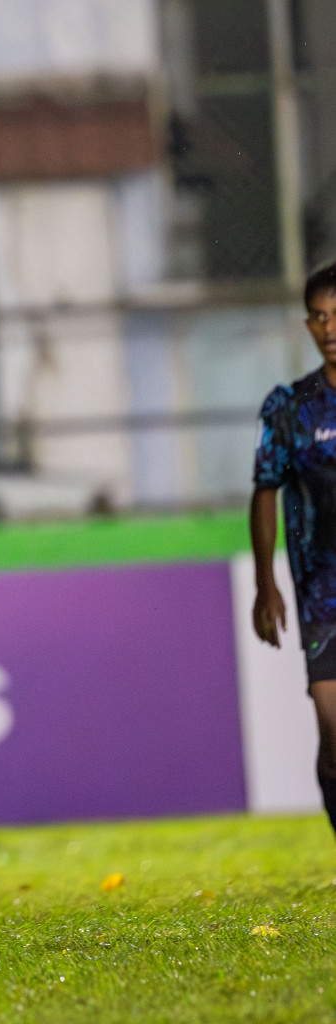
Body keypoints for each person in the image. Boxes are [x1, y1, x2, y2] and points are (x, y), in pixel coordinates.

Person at [252, 261, 336, 840]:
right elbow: (264, 492)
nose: (329, 327)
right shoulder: (289, 407)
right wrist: (266, 583)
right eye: (319, 316)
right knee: (334, 737)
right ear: (307, 324)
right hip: (322, 595)